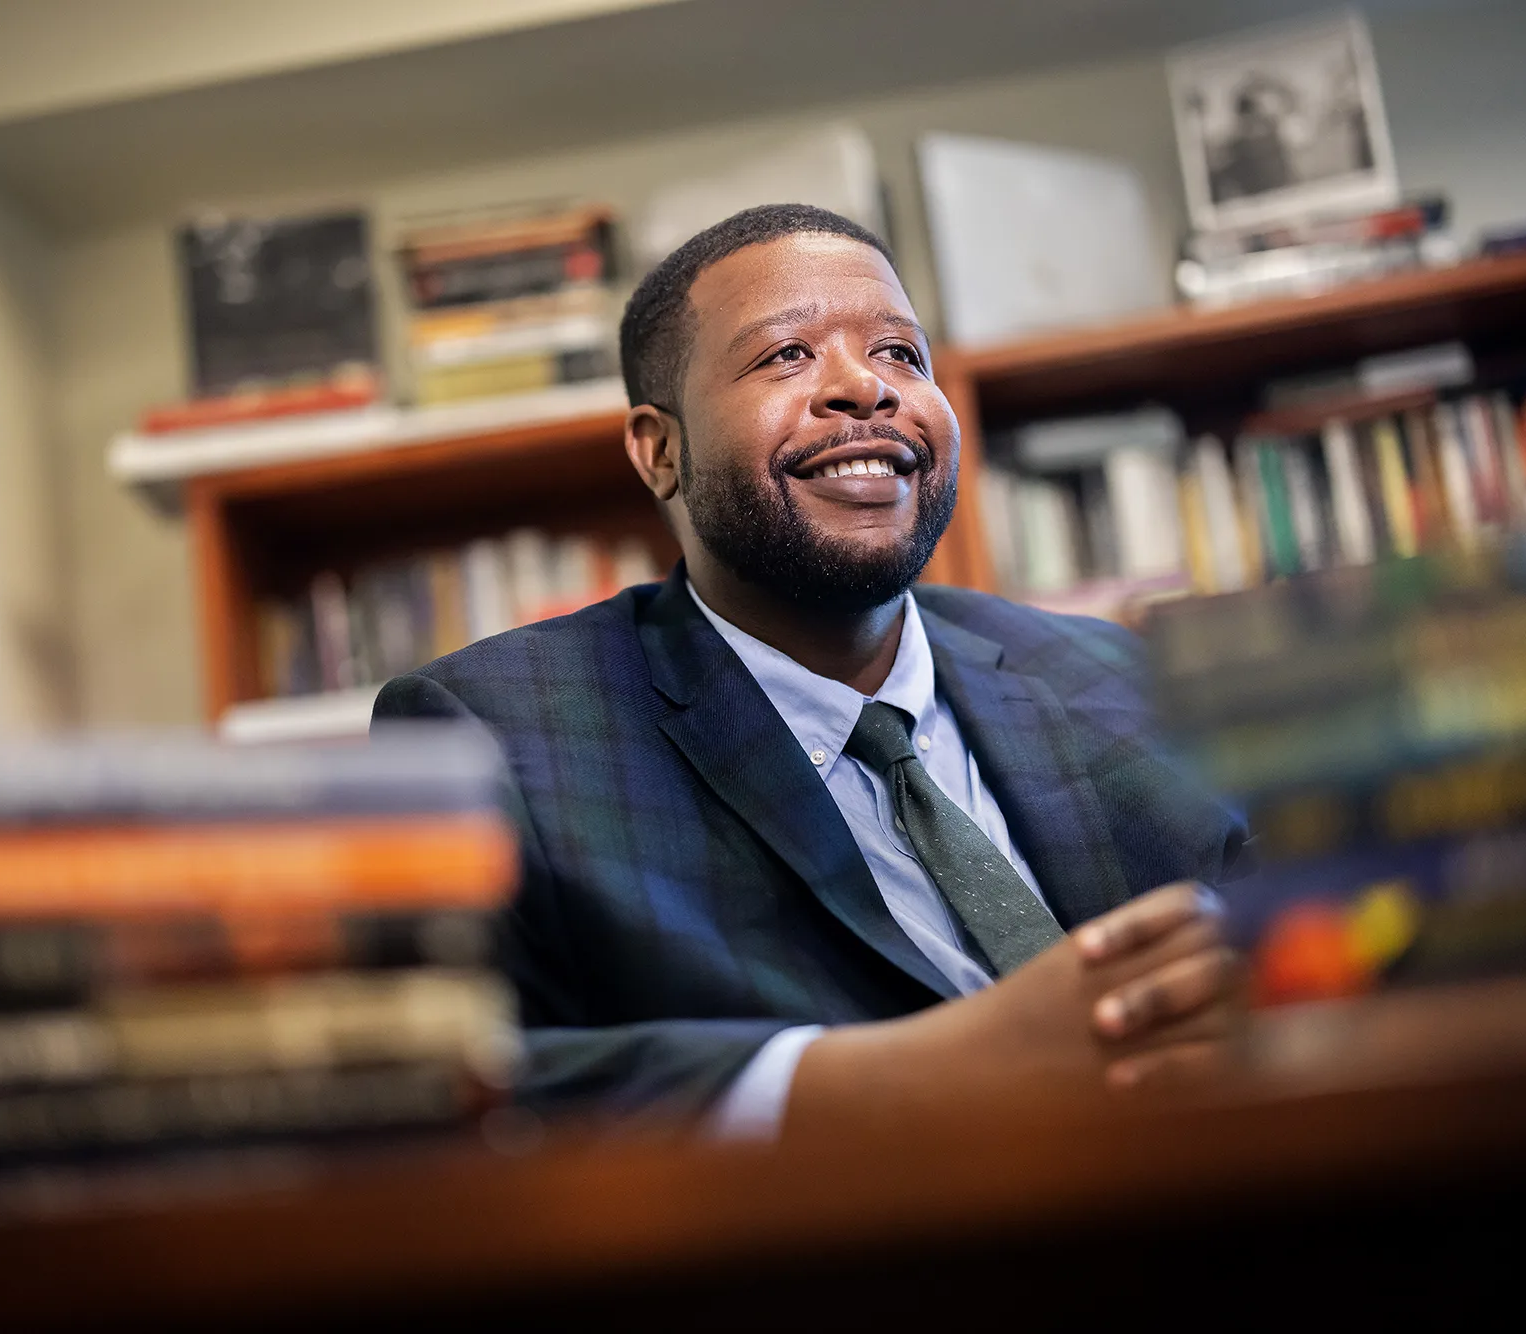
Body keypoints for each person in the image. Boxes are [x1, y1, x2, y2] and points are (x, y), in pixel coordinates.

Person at [374, 204, 1248, 1141]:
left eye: (901, 354)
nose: (864, 389)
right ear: (660, 450)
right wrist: (913, 1074)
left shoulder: (1116, 672)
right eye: (787, 355)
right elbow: (436, 1092)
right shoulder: (492, 734)